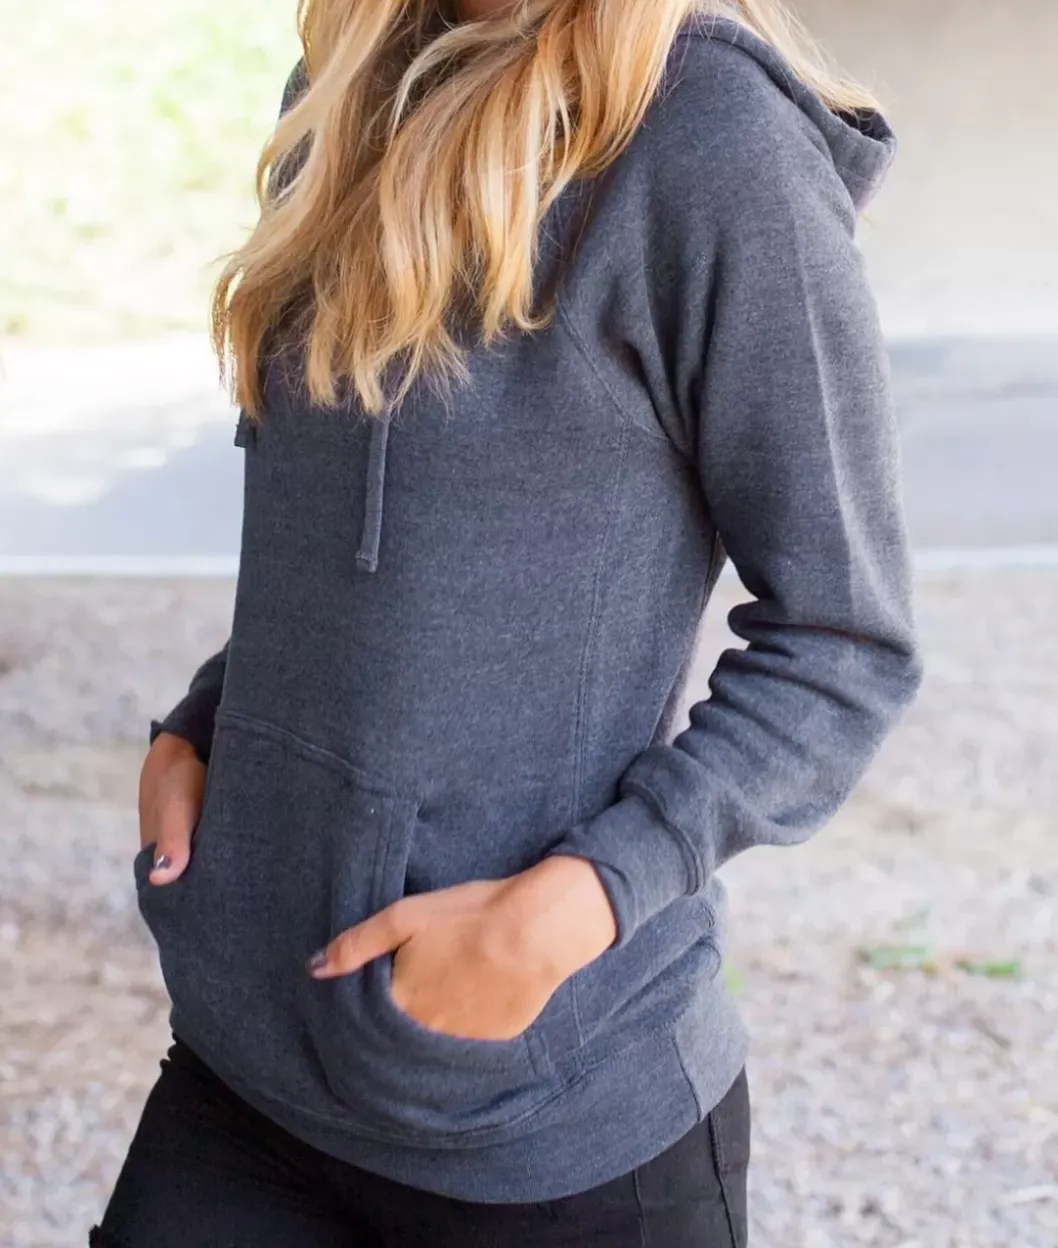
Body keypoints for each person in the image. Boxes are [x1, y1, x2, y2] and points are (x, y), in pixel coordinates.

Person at [93, 1, 922, 1244]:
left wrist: (570, 910)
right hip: (247, 1061)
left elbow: (843, 642)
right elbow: (361, 555)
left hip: (547, 1120)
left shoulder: (708, 143)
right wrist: (204, 727)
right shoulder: (342, 90)